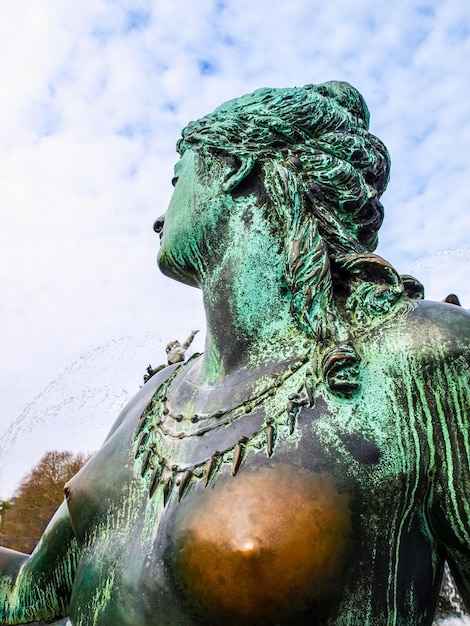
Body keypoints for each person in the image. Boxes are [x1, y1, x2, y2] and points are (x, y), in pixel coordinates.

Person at [1, 81, 470, 626]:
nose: (159, 216)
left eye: (176, 180)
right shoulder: (151, 400)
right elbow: (28, 595)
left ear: (235, 168)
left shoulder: (425, 357)